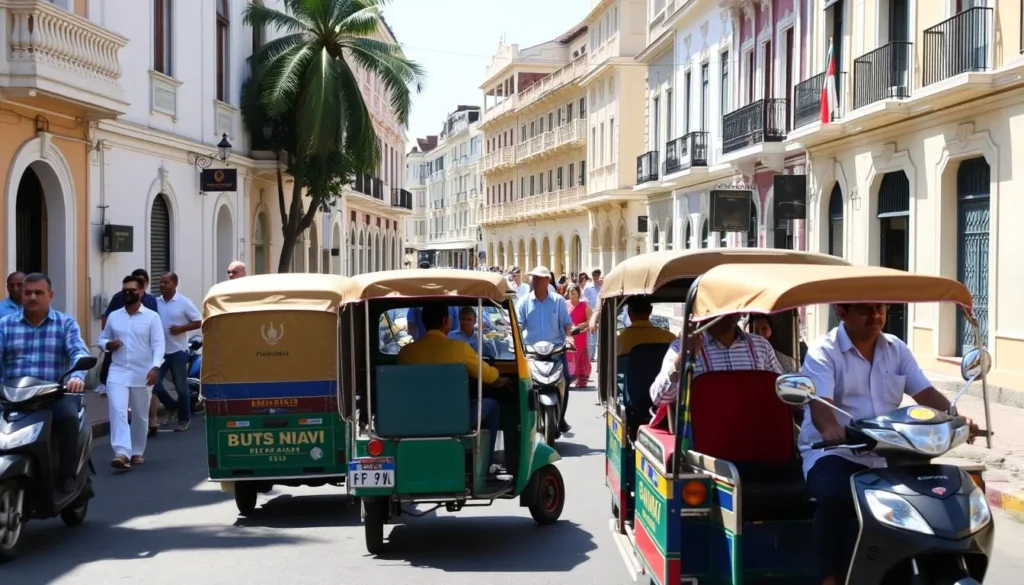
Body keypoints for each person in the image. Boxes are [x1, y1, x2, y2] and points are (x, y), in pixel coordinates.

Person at [799, 303, 975, 585]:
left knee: (931, 496)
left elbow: (925, 392)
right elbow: (820, 405)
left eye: (880, 308)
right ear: (842, 313)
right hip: (837, 452)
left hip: (890, 453)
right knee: (834, 494)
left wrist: (957, 417)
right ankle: (829, 576)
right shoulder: (824, 351)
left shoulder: (896, 348)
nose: (875, 315)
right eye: (865, 309)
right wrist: (830, 429)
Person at [0, 273, 91, 492]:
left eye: (38, 293)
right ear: (21, 295)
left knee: (68, 417)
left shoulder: (65, 323)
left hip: (53, 395)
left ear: (50, 295)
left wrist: (76, 378)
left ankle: (68, 474)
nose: (32, 297)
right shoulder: (5, 325)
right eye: (27, 292)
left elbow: (78, 352)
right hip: (13, 397)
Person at [398, 305, 507, 474]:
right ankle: (486, 465)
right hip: (454, 418)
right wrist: (501, 378)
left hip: (416, 418)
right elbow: (490, 376)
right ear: (445, 321)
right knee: (492, 405)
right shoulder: (460, 349)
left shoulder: (406, 353)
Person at [648, 313, 782, 424]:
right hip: (704, 442)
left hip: (757, 432)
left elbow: (781, 391)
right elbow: (659, 398)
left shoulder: (761, 346)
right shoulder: (681, 347)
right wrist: (684, 356)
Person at [98, 275, 165, 469]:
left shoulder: (152, 317)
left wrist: (155, 367)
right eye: (124, 290)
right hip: (118, 371)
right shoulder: (114, 316)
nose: (128, 293)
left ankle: (137, 451)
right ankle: (122, 452)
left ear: (141, 292)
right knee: (118, 411)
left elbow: (159, 345)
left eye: (132, 290)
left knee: (140, 415)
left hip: (143, 373)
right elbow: (102, 339)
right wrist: (107, 345)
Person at [516, 265, 574, 433]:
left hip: (556, 351)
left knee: (567, 380)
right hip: (532, 353)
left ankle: (561, 417)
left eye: (538, 278)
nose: (533, 281)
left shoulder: (558, 301)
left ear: (547, 281)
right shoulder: (524, 302)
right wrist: (516, 338)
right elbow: (519, 324)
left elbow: (567, 324)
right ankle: (525, 418)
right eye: (533, 277)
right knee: (524, 383)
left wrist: (569, 337)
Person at [153, 272, 202, 431]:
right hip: (159, 352)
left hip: (178, 351)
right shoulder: (155, 302)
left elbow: (198, 321)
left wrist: (182, 328)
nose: (162, 285)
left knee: (181, 387)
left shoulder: (183, 302)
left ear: (174, 284)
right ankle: (171, 405)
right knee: (153, 382)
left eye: (165, 282)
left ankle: (184, 419)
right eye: (160, 282)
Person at [565, 284, 592, 388]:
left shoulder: (584, 305)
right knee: (568, 355)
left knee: (579, 355)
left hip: (580, 334)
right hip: (568, 334)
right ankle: (570, 376)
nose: (572, 294)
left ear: (578, 293)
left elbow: (590, 319)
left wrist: (583, 325)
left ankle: (581, 379)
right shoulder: (565, 304)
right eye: (570, 292)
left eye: (574, 292)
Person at [583, 268, 602, 358]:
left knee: (599, 334)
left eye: (597, 275)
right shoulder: (588, 287)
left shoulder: (602, 286)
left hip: (600, 312)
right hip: (591, 313)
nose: (596, 277)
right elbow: (584, 299)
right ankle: (590, 355)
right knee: (591, 334)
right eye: (594, 276)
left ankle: (598, 355)